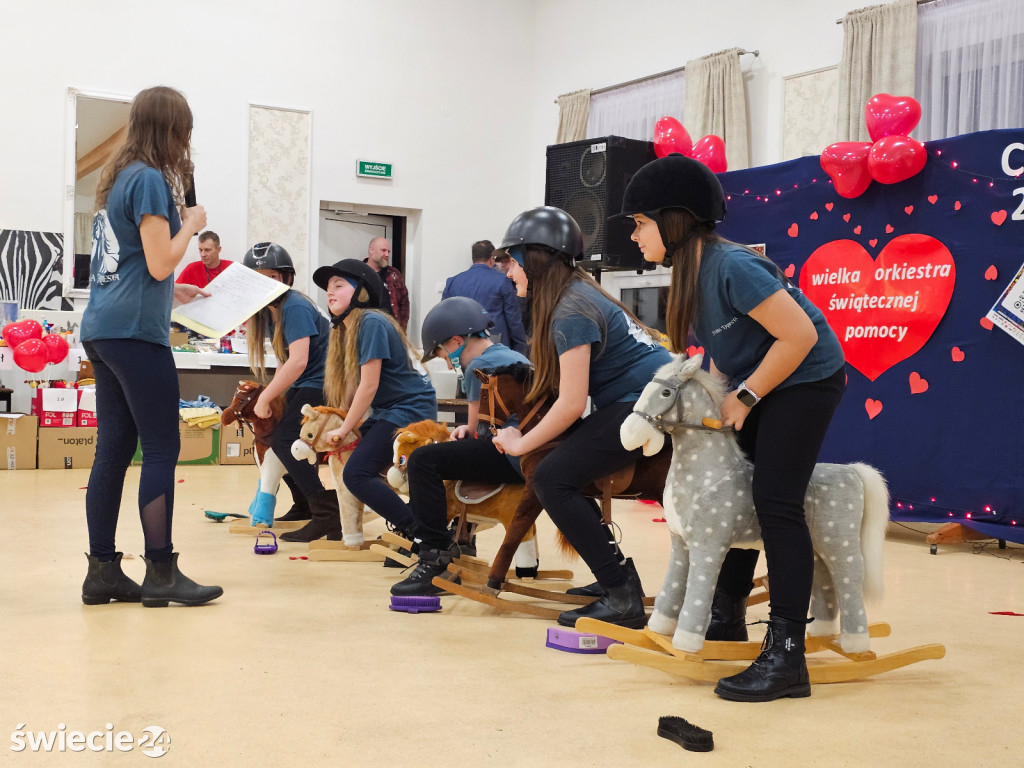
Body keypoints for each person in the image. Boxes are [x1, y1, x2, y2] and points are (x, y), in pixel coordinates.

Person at [615, 153, 846, 702]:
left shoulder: (731, 265)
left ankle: (787, 656)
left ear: (674, 219)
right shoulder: (692, 272)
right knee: (736, 493)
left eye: (640, 223)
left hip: (806, 379)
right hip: (768, 379)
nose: (635, 236)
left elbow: (801, 339)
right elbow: (724, 353)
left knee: (776, 502)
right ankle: (727, 617)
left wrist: (744, 397)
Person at [490, 206, 672, 629]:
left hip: (643, 405)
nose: (509, 271)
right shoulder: (579, 290)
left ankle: (620, 595)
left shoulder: (569, 309)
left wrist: (519, 443)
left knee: (552, 477)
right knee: (562, 467)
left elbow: (572, 404)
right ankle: (615, 574)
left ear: (535, 259)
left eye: (513, 261)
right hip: (642, 400)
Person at [79, 85, 222, 608]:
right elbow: (163, 260)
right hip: (135, 337)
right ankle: (160, 570)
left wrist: (172, 292)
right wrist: (191, 224)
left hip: (103, 330)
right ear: (175, 131)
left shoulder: (117, 178)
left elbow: (140, 268)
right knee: (162, 447)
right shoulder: (150, 182)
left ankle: (102, 572)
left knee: (112, 452)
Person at [390, 296, 531, 597]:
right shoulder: (513, 356)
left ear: (456, 341)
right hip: (533, 449)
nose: (444, 359)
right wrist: (471, 428)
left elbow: (477, 438)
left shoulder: (476, 367)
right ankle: (460, 542)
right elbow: (486, 421)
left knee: (424, 461)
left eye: (442, 353)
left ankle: (434, 556)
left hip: (510, 454)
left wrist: (466, 430)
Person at [312, 258, 436, 546]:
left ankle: (421, 532)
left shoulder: (371, 322)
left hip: (410, 408)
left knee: (356, 474)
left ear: (362, 292)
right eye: (328, 288)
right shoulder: (352, 326)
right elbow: (353, 384)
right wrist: (343, 419)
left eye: (338, 285)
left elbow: (369, 386)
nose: (329, 292)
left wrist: (344, 430)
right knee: (353, 462)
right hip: (390, 409)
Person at [239, 241, 335, 540]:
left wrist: (267, 396)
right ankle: (305, 504)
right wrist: (271, 395)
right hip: (307, 382)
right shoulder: (270, 311)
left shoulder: (294, 306)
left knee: (284, 441)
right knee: (281, 442)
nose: (266, 284)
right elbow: (285, 362)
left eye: (272, 277)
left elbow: (298, 361)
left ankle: (326, 513)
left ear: (286, 278)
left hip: (322, 385)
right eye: (259, 278)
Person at [442, 240, 527, 355]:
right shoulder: (503, 281)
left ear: (474, 258)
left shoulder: (452, 282)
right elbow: (513, 319)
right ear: (492, 259)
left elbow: (444, 318)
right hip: (496, 346)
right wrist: (521, 348)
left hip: (463, 347)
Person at [364, 236, 410, 330]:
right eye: (383, 250)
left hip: (391, 330)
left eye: (388, 251)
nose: (387, 254)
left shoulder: (394, 274)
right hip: (365, 329)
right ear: (371, 250)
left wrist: (401, 329)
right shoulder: (359, 273)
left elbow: (404, 303)